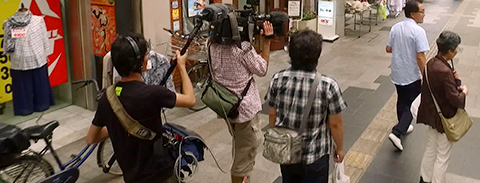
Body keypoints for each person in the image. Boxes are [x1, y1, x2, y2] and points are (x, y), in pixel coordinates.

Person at [86, 34, 196, 183]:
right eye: (145, 55)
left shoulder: (108, 97)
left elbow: (91, 138)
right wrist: (182, 67)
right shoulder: (153, 94)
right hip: (159, 174)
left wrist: (115, 127)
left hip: (131, 177)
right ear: (140, 62)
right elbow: (190, 100)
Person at [266, 30, 346, 183]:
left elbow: (272, 115)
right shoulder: (328, 85)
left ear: (290, 53)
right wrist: (340, 147)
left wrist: (278, 136)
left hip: (287, 152)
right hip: (315, 156)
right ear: (317, 55)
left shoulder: (277, 79)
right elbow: (335, 124)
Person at [210, 21, 274, 183]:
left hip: (226, 104)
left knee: (240, 146)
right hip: (245, 110)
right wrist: (266, 42)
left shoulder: (210, 45)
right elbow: (261, 69)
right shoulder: (242, 49)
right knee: (244, 158)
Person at [417, 31, 468, 183]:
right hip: (444, 118)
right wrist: (464, 92)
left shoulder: (430, 63)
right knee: (442, 155)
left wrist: (454, 81)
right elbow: (455, 99)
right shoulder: (445, 71)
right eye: (456, 49)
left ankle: (424, 179)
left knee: (431, 149)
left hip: (431, 116)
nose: (457, 51)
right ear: (450, 51)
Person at [385, 0, 430, 151]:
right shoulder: (418, 32)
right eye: (422, 12)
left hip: (397, 72)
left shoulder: (396, 27)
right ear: (413, 14)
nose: (424, 15)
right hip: (412, 74)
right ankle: (397, 132)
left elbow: (388, 49)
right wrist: (426, 76)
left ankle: (402, 125)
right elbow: (420, 56)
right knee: (413, 105)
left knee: (402, 100)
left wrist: (400, 48)